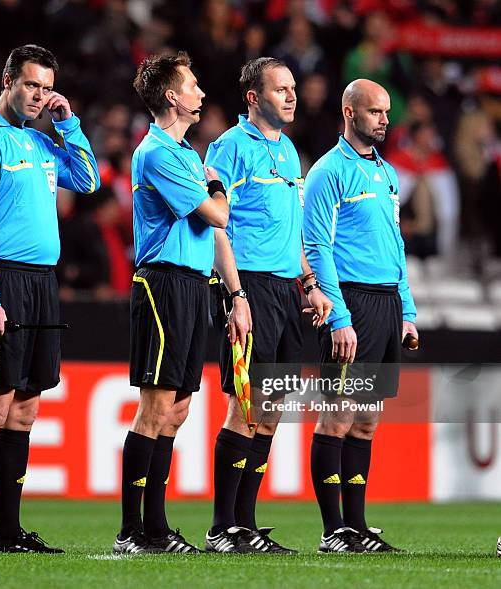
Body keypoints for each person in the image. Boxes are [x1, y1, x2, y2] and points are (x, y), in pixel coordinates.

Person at [0, 44, 100, 554]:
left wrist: (69, 124)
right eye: (31, 85)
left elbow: (87, 180)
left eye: (46, 87)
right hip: (5, 282)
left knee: (26, 409)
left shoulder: (39, 142)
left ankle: (10, 531)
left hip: (42, 284)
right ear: (7, 80)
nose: (39, 95)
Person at [204, 57, 332, 553]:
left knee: (272, 408)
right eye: (281, 89)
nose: (292, 96)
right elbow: (216, 225)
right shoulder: (229, 148)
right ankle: (222, 527)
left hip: (285, 291)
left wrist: (309, 284)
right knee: (245, 406)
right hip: (250, 288)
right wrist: (235, 295)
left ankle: (246, 524)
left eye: (293, 87)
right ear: (253, 97)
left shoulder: (289, 152)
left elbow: (293, 229)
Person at [113, 51, 229, 554]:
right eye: (193, 84)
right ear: (171, 96)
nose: (201, 93)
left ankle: (156, 527)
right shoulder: (157, 152)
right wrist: (216, 187)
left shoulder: (185, 153)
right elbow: (216, 214)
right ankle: (130, 531)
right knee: (155, 406)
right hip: (162, 285)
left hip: (193, 285)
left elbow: (213, 214)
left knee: (178, 408)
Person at [303, 79, 418, 553]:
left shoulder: (387, 173)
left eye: (387, 112)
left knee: (367, 421)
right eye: (375, 112)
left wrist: (407, 310)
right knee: (337, 418)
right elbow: (316, 246)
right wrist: (339, 318)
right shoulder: (330, 171)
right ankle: (335, 531)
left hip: (387, 304)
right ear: (349, 113)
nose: (384, 120)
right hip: (351, 302)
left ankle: (358, 524)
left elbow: (397, 246)